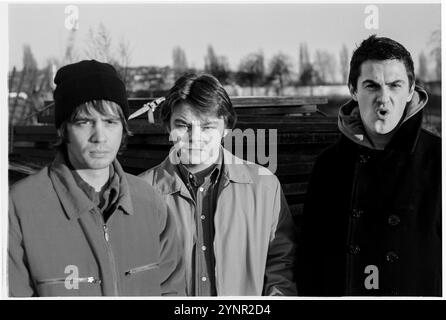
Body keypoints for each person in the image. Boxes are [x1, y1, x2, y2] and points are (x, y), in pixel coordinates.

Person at [8, 60, 185, 297]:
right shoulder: (18, 208)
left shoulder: (150, 203)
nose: (99, 136)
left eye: (110, 122)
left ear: (123, 127)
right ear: (63, 129)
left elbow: (172, 292)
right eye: (84, 122)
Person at [298, 35, 441, 296]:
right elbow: (310, 259)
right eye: (372, 86)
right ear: (353, 89)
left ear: (411, 91)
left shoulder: (438, 160)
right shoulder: (329, 165)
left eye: (395, 85)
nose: (383, 98)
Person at [139, 73, 297, 296]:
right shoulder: (141, 193)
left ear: (226, 128)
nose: (195, 137)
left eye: (207, 127)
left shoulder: (265, 186)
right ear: (168, 127)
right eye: (183, 125)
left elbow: (281, 264)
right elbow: (137, 275)